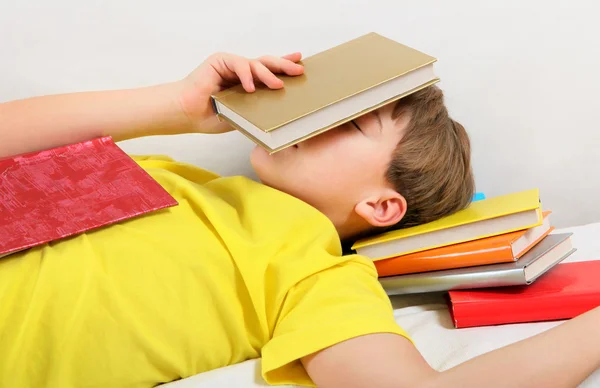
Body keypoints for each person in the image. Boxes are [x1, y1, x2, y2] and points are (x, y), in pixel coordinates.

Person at [0, 51, 598, 388]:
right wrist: (175, 108)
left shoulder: (316, 272)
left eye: (352, 124)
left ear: (381, 206)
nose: (316, 118)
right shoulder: (179, 175)